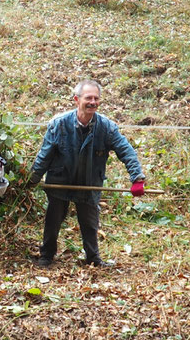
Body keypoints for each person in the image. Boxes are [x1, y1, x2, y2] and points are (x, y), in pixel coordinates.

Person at [29, 80, 146, 268]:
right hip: (60, 181)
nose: (93, 102)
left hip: (90, 181)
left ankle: (93, 259)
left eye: (96, 98)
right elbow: (45, 155)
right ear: (77, 99)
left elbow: (126, 151)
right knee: (53, 221)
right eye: (88, 98)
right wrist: (32, 179)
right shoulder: (59, 125)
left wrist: (137, 177)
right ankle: (46, 256)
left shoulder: (107, 128)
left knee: (90, 224)